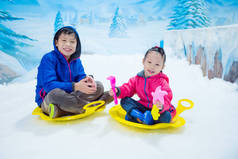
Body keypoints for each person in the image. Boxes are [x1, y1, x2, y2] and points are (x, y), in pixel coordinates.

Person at [35, 26, 113, 119]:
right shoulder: (48, 59)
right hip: (49, 98)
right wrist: (75, 86)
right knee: (55, 94)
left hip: (70, 96)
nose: (68, 44)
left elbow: (80, 77)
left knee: (98, 86)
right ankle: (94, 104)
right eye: (64, 40)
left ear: (77, 44)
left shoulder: (76, 60)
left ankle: (63, 110)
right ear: (56, 43)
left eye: (72, 42)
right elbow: (49, 86)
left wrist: (87, 80)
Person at [109, 46, 176, 125]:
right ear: (143, 61)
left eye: (157, 64)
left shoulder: (162, 82)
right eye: (149, 62)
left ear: (162, 67)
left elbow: (167, 97)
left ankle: (143, 117)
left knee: (166, 117)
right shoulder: (138, 78)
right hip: (142, 107)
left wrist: (161, 106)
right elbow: (128, 88)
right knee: (125, 101)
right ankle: (139, 115)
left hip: (155, 110)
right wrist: (118, 91)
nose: (152, 67)